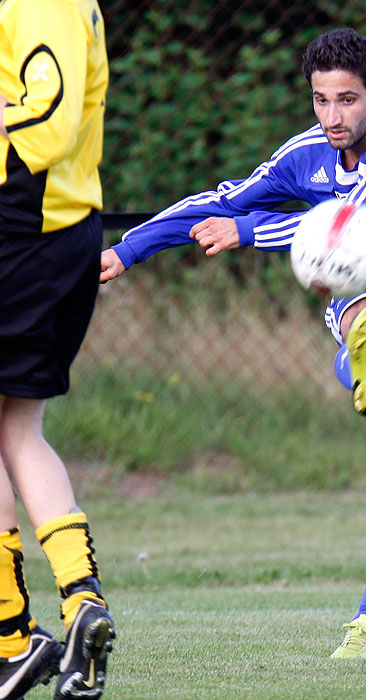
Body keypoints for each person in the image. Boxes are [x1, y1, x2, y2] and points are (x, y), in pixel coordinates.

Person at [100, 28, 366, 659]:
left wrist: (248, 233)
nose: (332, 117)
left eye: (347, 101)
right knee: (364, 296)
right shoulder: (307, 152)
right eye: (321, 100)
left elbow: (340, 229)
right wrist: (129, 248)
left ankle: (365, 629)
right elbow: (223, 200)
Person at [0, 0, 115, 697]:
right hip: (51, 233)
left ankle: (11, 635)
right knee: (17, 428)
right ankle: (77, 605)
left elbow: (49, 122)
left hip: (23, 229)